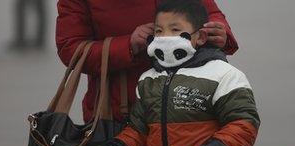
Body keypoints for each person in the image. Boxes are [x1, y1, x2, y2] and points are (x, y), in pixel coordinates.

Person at [88, 0, 260, 146]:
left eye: (175, 30)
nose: (165, 37)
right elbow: (137, 132)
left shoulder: (223, 75)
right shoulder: (148, 80)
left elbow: (244, 125)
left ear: (200, 37)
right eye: (159, 31)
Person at [56, 0, 238, 126]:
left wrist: (219, 30)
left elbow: (209, 11)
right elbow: (70, 48)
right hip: (120, 114)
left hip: (193, 109)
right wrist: (129, 45)